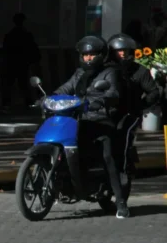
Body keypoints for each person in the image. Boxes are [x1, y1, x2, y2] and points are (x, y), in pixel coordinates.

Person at [54, 36, 128, 219]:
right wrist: (50, 98)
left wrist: (99, 101)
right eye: (85, 55)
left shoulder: (110, 72)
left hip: (101, 121)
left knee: (108, 157)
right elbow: (65, 88)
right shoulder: (79, 73)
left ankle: (121, 203)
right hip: (80, 120)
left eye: (92, 55)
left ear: (101, 55)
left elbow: (113, 92)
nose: (88, 58)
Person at [107, 33, 160, 171]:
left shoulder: (139, 71)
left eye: (126, 51)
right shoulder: (106, 69)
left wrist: (140, 106)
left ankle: (122, 169)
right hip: (107, 112)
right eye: (119, 51)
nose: (123, 54)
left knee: (122, 136)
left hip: (129, 113)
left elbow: (153, 92)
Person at [0, 13, 40, 113]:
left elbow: (5, 50)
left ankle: (6, 104)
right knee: (23, 84)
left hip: (12, 63)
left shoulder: (10, 34)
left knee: (10, 84)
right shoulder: (26, 34)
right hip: (22, 63)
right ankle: (28, 103)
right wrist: (33, 61)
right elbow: (33, 49)